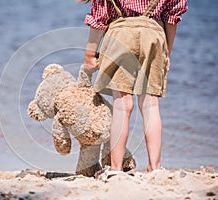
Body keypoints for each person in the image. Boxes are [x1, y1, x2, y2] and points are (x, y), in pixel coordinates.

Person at [77, 0, 188, 175]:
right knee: (150, 104)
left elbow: (99, 18)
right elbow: (172, 16)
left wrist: (90, 54)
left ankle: (116, 168)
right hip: (153, 36)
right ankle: (155, 167)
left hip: (119, 35)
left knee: (122, 105)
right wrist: (167, 53)